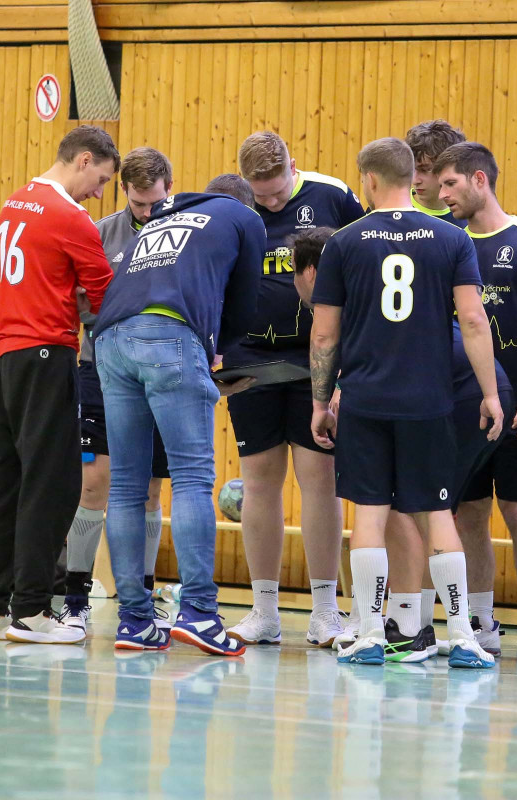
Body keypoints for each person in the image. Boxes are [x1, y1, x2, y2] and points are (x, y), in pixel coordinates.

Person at [308, 137, 503, 668]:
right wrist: (489, 394)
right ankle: (462, 636)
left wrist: (321, 402)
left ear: (370, 180)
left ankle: (371, 634)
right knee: (438, 513)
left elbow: (324, 335)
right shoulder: (452, 238)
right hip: (429, 401)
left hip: (365, 400)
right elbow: (474, 320)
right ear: (412, 177)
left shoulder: (344, 243)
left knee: (370, 515)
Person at [93, 174, 264, 655]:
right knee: (191, 477)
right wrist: (218, 355)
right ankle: (200, 613)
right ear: (246, 202)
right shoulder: (243, 216)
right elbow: (243, 303)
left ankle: (134, 621)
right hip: (169, 334)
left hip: (109, 340)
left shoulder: (163, 217)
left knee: (125, 485)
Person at [0, 126, 118, 644]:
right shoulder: (71, 217)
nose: (99, 194)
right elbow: (106, 298)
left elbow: (43, 275)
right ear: (84, 159)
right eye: (101, 180)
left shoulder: (16, 202)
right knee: (51, 483)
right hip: (47, 354)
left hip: (2, 356)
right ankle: (31, 611)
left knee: (1, 482)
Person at [227, 131, 365, 649]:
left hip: (316, 361)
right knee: (259, 481)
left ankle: (325, 612)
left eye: (278, 192)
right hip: (251, 361)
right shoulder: (235, 205)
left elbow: (363, 270)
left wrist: (345, 370)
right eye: (260, 196)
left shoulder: (333, 195)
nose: (270, 204)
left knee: (319, 480)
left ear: (292, 166)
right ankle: (264, 611)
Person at [435, 141, 517, 659]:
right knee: (468, 512)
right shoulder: (446, 243)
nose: (442, 194)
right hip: (464, 407)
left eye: (450, 183)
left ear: (479, 180)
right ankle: (481, 620)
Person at [63, 147, 175, 630]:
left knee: (150, 488)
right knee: (94, 482)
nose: (148, 213)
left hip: (161, 371)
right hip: (101, 367)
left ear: (170, 190)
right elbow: (81, 303)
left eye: (156, 203)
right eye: (138, 203)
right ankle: (75, 597)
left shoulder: (183, 234)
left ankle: (144, 597)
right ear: (123, 189)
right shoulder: (99, 233)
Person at [405, 119, 467, 229]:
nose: (415, 180)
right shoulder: (391, 210)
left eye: (425, 170)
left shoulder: (469, 217)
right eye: (412, 169)